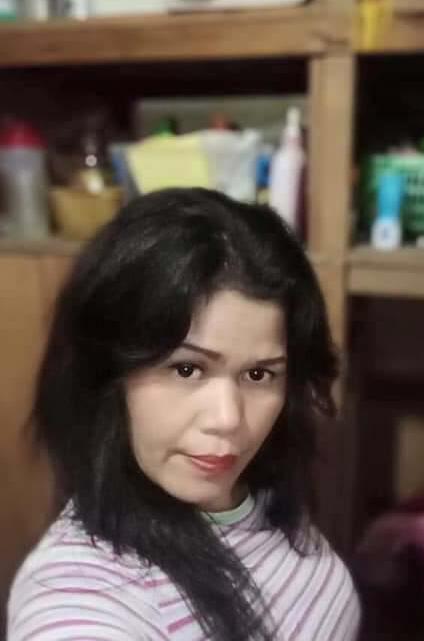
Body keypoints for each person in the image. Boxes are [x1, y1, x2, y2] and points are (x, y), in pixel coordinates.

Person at [7, 188, 360, 641]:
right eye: (187, 369)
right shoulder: (76, 597)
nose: (228, 419)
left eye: (258, 374)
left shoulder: (256, 496)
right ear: (108, 371)